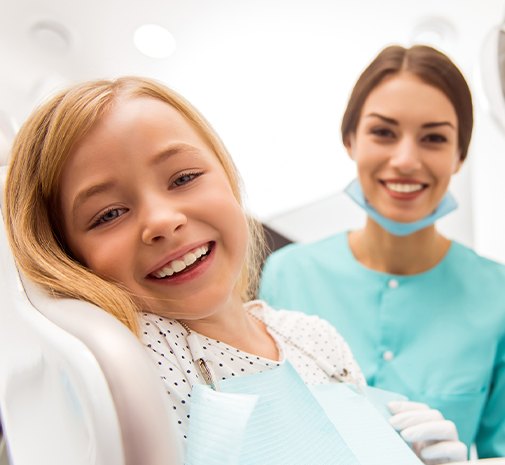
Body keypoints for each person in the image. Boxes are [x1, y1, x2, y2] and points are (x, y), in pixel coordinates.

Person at [4, 76, 464, 464]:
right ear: (67, 255)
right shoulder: (136, 360)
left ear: (227, 177)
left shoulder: (314, 338)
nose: (163, 220)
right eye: (108, 214)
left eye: (183, 178)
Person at [259, 44, 505, 459]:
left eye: (434, 138)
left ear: (459, 155)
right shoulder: (288, 274)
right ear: (350, 140)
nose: (406, 160)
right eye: (383, 132)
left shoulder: (497, 294)